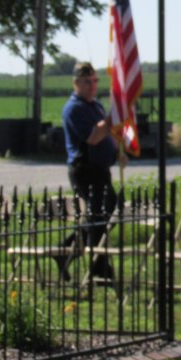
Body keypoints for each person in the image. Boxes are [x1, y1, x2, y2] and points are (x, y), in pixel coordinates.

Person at [60, 62, 118, 280]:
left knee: (104, 215)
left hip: (101, 170)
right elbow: (93, 137)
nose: (92, 85)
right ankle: (99, 268)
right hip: (85, 170)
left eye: (94, 81)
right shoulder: (74, 108)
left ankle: (66, 250)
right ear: (76, 83)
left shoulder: (95, 106)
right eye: (86, 81)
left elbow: (107, 133)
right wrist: (113, 116)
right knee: (97, 218)